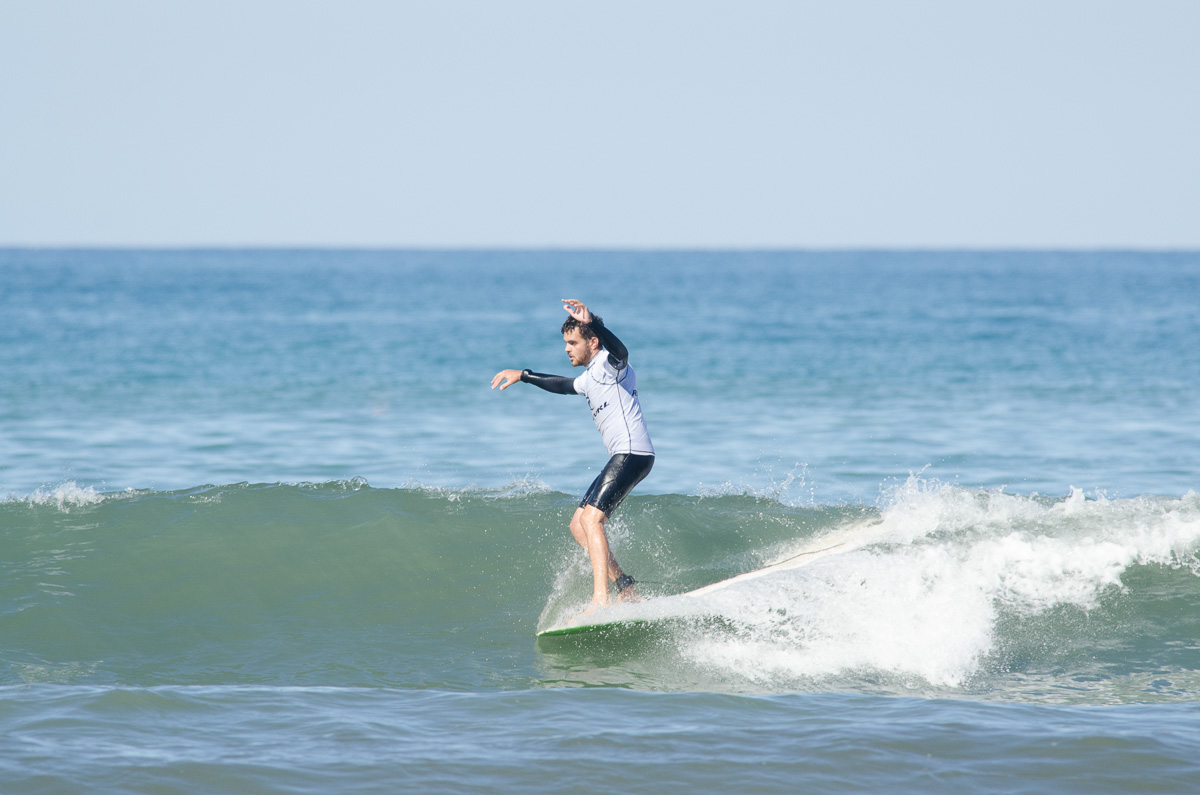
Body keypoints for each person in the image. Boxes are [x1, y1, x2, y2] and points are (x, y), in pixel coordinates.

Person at [491, 299, 655, 608]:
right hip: (623, 455)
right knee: (579, 525)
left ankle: (601, 599)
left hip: (633, 452)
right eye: (566, 343)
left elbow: (622, 352)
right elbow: (563, 385)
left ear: (592, 342)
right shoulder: (589, 376)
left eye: (573, 343)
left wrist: (592, 322)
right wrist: (524, 375)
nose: (567, 349)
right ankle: (625, 588)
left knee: (592, 520)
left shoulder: (610, 365)